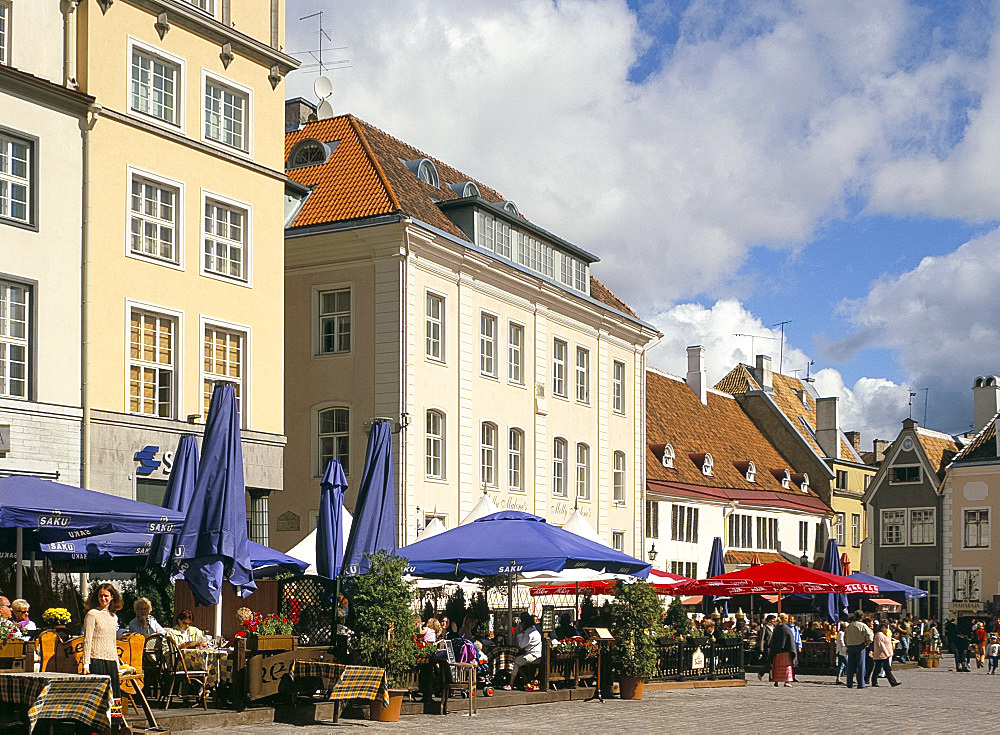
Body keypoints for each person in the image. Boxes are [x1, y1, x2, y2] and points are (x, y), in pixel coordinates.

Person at [82, 584, 123, 702]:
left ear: (112, 597)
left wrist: (117, 662)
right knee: (98, 697)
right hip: (96, 660)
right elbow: (87, 640)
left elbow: (112, 641)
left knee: (113, 695)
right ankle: (97, 721)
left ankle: (114, 720)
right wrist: (86, 663)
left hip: (111, 661)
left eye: (106, 596)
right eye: (100, 596)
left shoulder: (113, 617)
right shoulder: (92, 614)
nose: (103, 599)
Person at [504, 612, 542, 690]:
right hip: (537, 654)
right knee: (519, 660)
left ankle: (511, 683)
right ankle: (526, 680)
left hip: (534, 656)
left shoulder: (529, 633)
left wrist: (520, 635)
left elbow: (521, 645)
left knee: (516, 661)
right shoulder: (534, 630)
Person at [844, 611, 873, 689]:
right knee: (860, 665)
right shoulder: (863, 625)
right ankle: (861, 683)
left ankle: (849, 683)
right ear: (862, 617)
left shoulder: (849, 626)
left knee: (850, 665)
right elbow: (870, 635)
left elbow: (845, 637)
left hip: (850, 646)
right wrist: (868, 642)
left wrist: (847, 644)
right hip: (860, 646)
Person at [766, 613, 796, 687]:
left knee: (777, 666)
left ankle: (776, 681)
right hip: (786, 651)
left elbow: (774, 640)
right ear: (785, 619)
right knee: (786, 667)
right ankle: (786, 681)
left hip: (777, 651)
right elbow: (790, 640)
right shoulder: (787, 628)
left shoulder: (777, 628)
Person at [871, 622, 901, 687]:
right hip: (881, 655)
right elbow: (881, 645)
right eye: (884, 628)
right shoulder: (879, 635)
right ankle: (874, 681)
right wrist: (886, 653)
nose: (886, 629)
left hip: (884, 655)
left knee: (885, 669)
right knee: (879, 669)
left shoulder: (883, 634)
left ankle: (893, 682)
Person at [755, 614, 776, 680]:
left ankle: (771, 677)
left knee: (773, 662)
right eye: (773, 619)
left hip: (774, 646)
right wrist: (761, 648)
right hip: (767, 646)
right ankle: (761, 672)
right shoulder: (765, 627)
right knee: (769, 662)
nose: (774, 621)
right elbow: (762, 638)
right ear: (769, 620)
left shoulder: (774, 627)